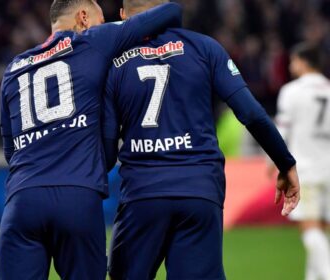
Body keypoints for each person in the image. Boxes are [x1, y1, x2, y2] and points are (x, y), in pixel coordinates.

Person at [102, 1, 300, 279]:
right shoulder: (205, 47)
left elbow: (107, 147)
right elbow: (252, 113)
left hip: (142, 194)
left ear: (123, 15)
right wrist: (284, 161)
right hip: (199, 189)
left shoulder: (112, 62)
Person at [0, 0, 182, 279]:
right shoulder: (93, 42)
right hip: (77, 197)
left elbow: (10, 150)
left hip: (22, 200)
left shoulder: (13, 68)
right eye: (99, 20)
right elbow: (171, 11)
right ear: (83, 18)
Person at [276, 43, 330, 280]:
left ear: (304, 62)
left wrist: (275, 163)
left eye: (293, 60)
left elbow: (281, 131)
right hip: (328, 166)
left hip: (305, 169)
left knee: (309, 228)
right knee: (321, 228)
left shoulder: (291, 91)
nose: (290, 65)